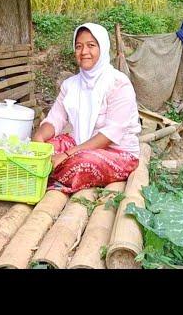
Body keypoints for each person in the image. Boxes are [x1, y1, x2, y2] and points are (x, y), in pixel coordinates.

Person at [32, 23, 141, 193]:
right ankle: (47, 172)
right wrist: (39, 139)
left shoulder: (118, 83)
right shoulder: (70, 85)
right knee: (42, 148)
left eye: (91, 46)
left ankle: (42, 176)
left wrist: (68, 155)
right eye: (78, 46)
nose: (84, 52)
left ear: (102, 48)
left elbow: (110, 134)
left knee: (84, 163)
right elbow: (55, 119)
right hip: (80, 143)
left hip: (116, 153)